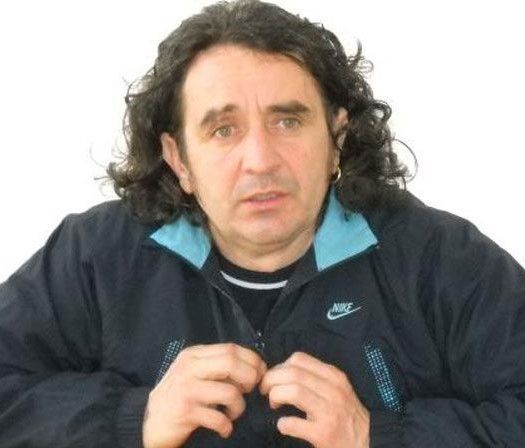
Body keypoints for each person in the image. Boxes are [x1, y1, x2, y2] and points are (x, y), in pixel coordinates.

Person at [0, 0, 524, 447]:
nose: (260, 160)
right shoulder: (96, 257)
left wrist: (378, 435)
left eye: (287, 121)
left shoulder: (441, 259)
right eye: (223, 130)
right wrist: (133, 420)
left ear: (337, 138)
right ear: (179, 159)